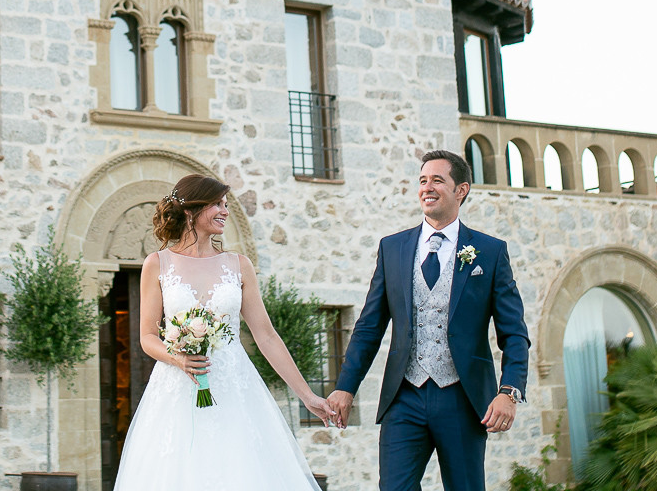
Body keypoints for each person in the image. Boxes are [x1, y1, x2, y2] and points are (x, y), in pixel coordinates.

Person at [112, 173, 336, 489]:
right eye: (217, 203)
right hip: (177, 391)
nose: (225, 211)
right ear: (190, 209)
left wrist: (307, 396)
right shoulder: (157, 263)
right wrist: (177, 359)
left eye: (226, 204)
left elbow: (266, 335)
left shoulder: (239, 265)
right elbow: (148, 336)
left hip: (235, 390)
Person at [327, 150, 530, 491]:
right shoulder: (392, 248)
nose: (427, 187)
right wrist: (346, 387)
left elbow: (514, 334)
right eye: (423, 180)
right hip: (405, 396)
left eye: (438, 180)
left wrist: (509, 392)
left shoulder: (490, 252)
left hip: (462, 399)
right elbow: (369, 327)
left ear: (461, 189)